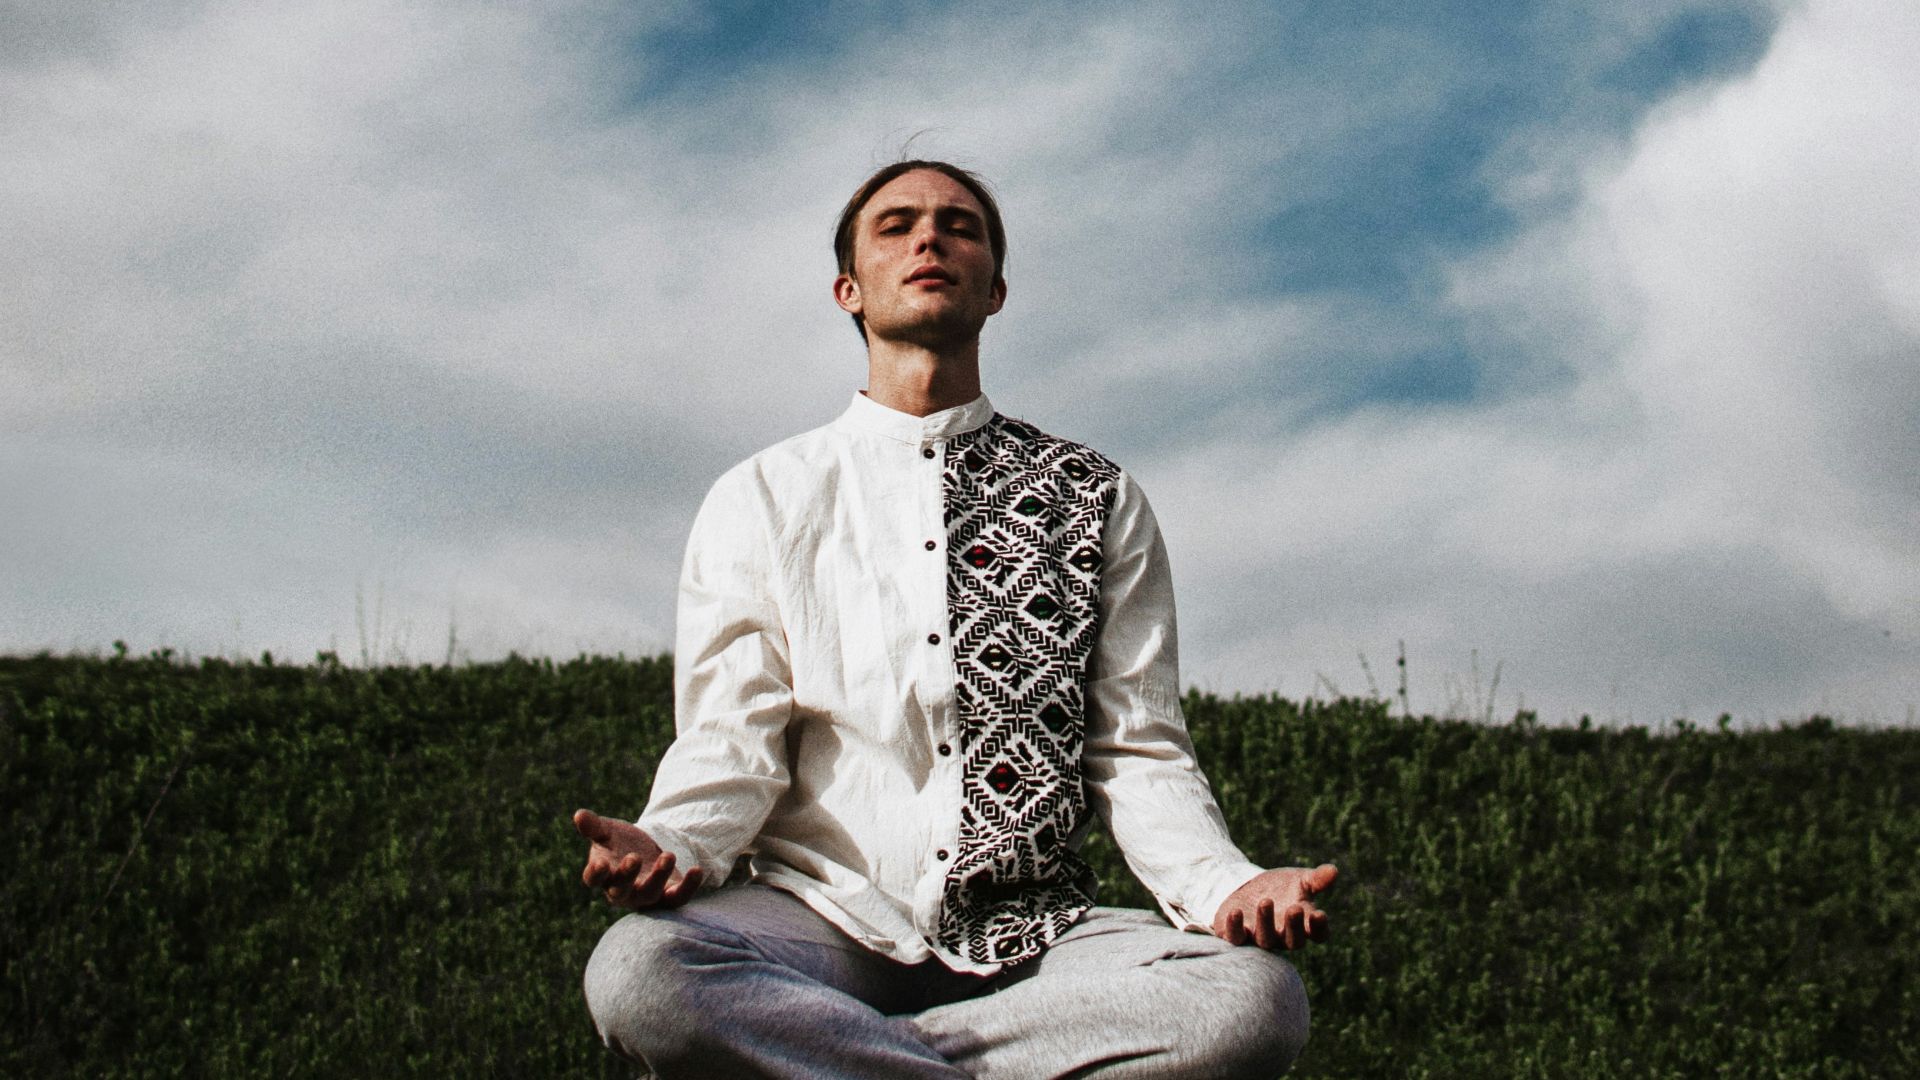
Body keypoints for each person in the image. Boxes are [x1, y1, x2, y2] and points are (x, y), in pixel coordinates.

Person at [575, 159, 1336, 1078]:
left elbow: (1137, 747)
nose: (929, 238)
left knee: (1251, 998)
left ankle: (864, 1065)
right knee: (642, 973)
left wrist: (1226, 887)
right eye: (895, 226)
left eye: (958, 226)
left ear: (997, 289)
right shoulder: (764, 496)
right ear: (848, 289)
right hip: (819, 925)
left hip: (1037, 939)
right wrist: (674, 845)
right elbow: (730, 736)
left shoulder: (1094, 496)